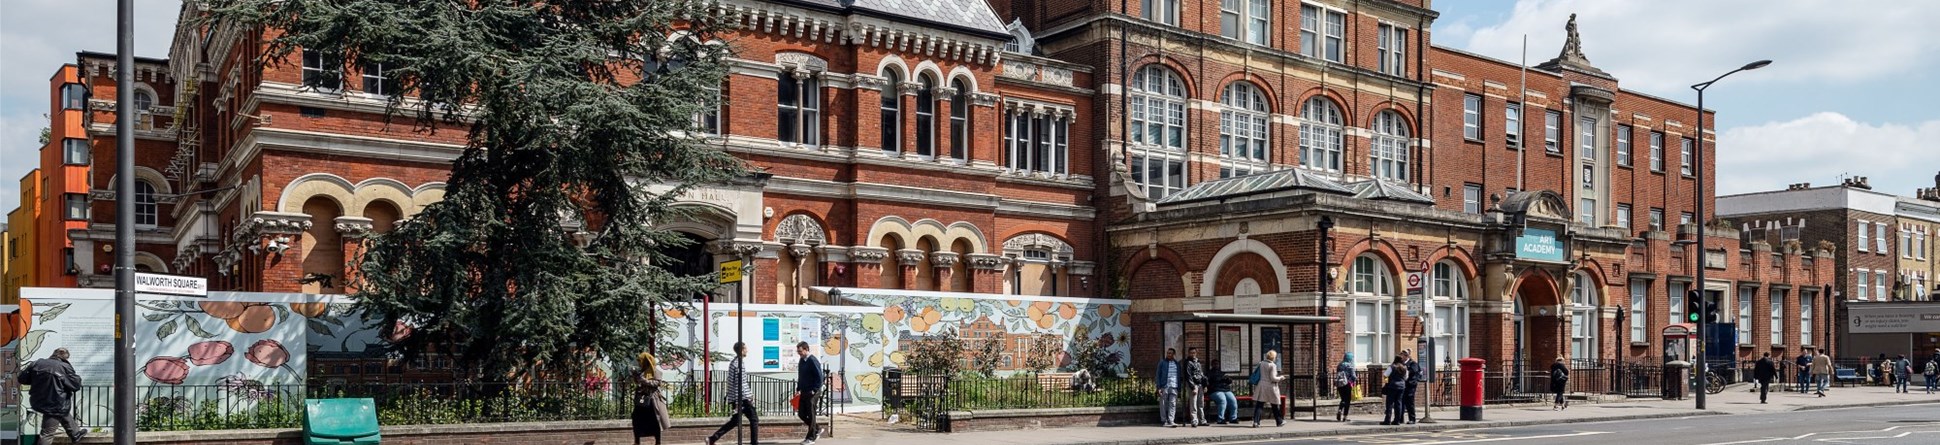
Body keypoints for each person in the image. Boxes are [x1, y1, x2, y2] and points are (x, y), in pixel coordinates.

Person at [21, 348, 86, 444]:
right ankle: (75, 434)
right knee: (47, 433)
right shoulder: (64, 367)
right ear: (65, 358)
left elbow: (22, 379)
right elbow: (75, 385)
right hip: (55, 402)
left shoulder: (37, 363)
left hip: (38, 400)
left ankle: (75, 433)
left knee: (63, 411)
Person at [707, 342, 759, 445]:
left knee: (735, 421)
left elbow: (732, 382)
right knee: (754, 420)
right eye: (745, 348)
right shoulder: (738, 364)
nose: (747, 350)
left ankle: (713, 438)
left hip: (738, 397)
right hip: (742, 398)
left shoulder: (734, 363)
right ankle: (754, 443)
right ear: (741, 350)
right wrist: (744, 398)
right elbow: (739, 383)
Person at [632, 352, 672, 445]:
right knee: (636, 419)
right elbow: (638, 383)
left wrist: (644, 381)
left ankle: (658, 441)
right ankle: (637, 441)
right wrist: (636, 377)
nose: (639, 363)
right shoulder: (642, 371)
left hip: (653, 400)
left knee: (655, 421)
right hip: (642, 398)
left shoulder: (656, 371)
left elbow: (656, 383)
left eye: (640, 361)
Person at [795, 341, 825, 445]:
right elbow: (801, 375)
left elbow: (820, 377)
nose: (799, 353)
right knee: (801, 413)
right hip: (804, 390)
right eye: (798, 351)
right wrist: (798, 388)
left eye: (800, 351)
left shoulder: (812, 360)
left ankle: (811, 437)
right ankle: (816, 429)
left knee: (811, 414)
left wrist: (814, 389)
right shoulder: (802, 360)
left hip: (812, 392)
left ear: (806, 349)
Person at [1251, 350, 1285, 428]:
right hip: (1270, 387)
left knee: (1259, 405)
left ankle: (1256, 422)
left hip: (1262, 385)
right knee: (1274, 405)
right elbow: (1273, 378)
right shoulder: (1272, 365)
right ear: (1273, 357)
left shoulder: (1261, 363)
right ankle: (1279, 421)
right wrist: (1281, 378)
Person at [1206, 361, 1239, 425]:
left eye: (1217, 364)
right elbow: (1208, 382)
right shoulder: (1209, 373)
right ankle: (1220, 419)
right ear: (1212, 365)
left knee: (1233, 400)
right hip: (1215, 390)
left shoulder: (1222, 373)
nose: (1216, 365)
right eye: (1215, 364)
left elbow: (1228, 381)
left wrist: (1228, 380)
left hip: (1225, 390)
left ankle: (1233, 418)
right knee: (1222, 400)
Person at [1155, 348, 1181, 427]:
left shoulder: (1177, 364)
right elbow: (1158, 375)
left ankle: (1171, 420)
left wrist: (1179, 387)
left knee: (1172, 404)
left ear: (1174, 355)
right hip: (1164, 386)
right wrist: (1158, 387)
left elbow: (1179, 376)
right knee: (1163, 404)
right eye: (1168, 353)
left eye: (1170, 353)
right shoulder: (1162, 363)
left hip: (1174, 386)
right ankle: (1164, 420)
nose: (1169, 355)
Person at [1183, 348, 1208, 427]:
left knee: (1200, 403)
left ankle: (1202, 420)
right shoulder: (1188, 362)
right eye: (1191, 353)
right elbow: (1188, 375)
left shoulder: (1198, 362)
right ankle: (1194, 420)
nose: (1192, 354)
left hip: (1200, 384)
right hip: (1193, 384)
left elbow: (1201, 374)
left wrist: (1205, 385)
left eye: (1194, 353)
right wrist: (1193, 387)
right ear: (1188, 353)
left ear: (1196, 353)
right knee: (1193, 403)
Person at [1381, 357, 1407, 425]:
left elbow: (1385, 375)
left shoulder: (1392, 367)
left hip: (1392, 386)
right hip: (1402, 386)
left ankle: (1387, 420)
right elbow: (1406, 377)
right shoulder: (1404, 367)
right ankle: (1397, 420)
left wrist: (1386, 382)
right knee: (1398, 403)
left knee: (1389, 403)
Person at [1401, 349, 1422, 424]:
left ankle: (1412, 419)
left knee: (1410, 403)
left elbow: (1414, 371)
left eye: (1403, 355)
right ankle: (1400, 419)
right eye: (1402, 354)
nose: (1402, 356)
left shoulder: (1413, 363)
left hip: (1410, 386)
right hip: (1403, 385)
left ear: (1407, 356)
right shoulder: (1401, 363)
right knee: (1401, 402)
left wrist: (1405, 369)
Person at [1334, 353, 1357, 422]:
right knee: (1347, 400)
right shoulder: (1350, 366)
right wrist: (1355, 379)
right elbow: (1353, 376)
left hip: (1340, 384)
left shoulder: (1340, 365)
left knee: (1343, 399)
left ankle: (1340, 409)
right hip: (1347, 384)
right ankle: (1345, 417)